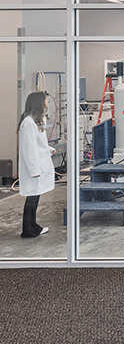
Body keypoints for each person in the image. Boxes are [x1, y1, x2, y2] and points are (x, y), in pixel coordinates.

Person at [18, 91, 56, 238]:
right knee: (32, 198)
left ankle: (32, 226)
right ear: (39, 103)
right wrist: (34, 170)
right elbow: (29, 149)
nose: (48, 102)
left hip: (39, 166)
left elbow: (39, 143)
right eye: (46, 100)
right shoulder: (28, 123)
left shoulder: (37, 121)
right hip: (34, 169)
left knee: (34, 198)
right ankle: (28, 230)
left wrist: (49, 149)